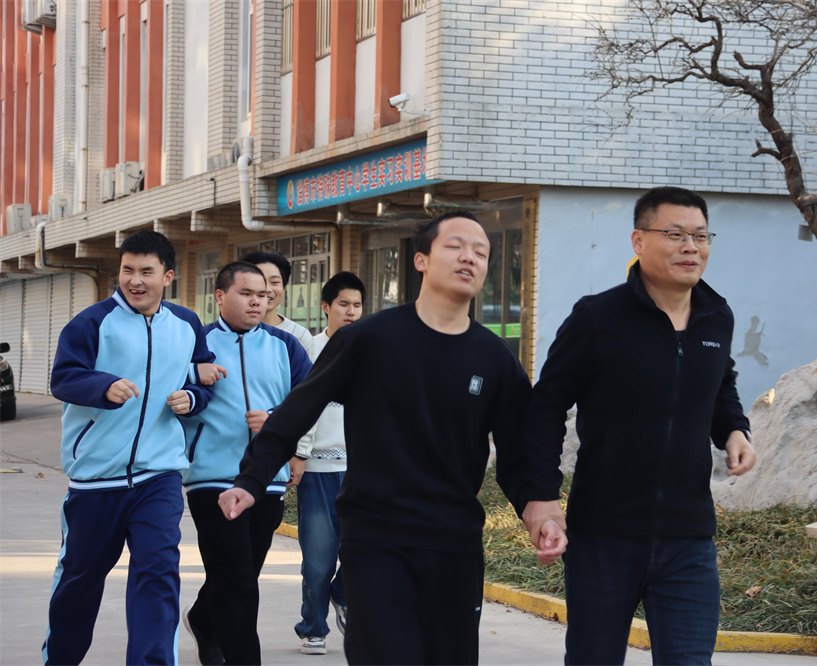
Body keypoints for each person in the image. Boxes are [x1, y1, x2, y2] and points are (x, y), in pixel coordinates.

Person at [218, 212, 567, 665]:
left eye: (481, 252)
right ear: (421, 260)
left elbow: (520, 454)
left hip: (455, 541)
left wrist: (540, 511)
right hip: (376, 538)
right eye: (455, 246)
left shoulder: (495, 359)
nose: (470, 257)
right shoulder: (369, 339)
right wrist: (252, 479)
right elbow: (298, 411)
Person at [521, 186, 757, 666]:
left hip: (689, 538)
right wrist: (543, 497)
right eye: (675, 234)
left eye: (701, 236)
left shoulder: (717, 316)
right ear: (638, 240)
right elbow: (545, 407)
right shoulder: (597, 317)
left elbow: (720, 383)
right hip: (604, 536)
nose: (691, 247)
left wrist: (735, 429)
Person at [44, 230, 215, 665]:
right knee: (80, 582)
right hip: (96, 479)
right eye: (127, 270)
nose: (135, 280)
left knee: (158, 574)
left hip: (159, 475)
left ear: (168, 276)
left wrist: (192, 398)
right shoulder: (92, 322)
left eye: (146, 272)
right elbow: (63, 377)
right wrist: (102, 386)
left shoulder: (187, 324)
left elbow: (201, 377)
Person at [180, 261, 312, 666]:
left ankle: (203, 622)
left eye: (263, 295)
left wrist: (277, 422)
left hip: (266, 480)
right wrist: (192, 375)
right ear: (220, 296)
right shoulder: (195, 344)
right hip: (211, 479)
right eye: (247, 294)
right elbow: (168, 390)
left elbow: (309, 401)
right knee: (238, 581)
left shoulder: (285, 346)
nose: (258, 302)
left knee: (241, 572)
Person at [292, 271, 365, 655]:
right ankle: (313, 627)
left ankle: (343, 594)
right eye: (343, 305)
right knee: (318, 559)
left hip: (363, 472)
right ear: (326, 307)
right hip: (318, 470)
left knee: (365, 551)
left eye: (357, 305)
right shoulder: (310, 351)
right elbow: (304, 407)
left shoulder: (372, 351)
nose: (351, 312)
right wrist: (299, 454)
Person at [241, 250, 315, 356]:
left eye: (275, 282)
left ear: (283, 288)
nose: (267, 289)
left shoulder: (299, 336)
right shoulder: (227, 332)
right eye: (259, 281)